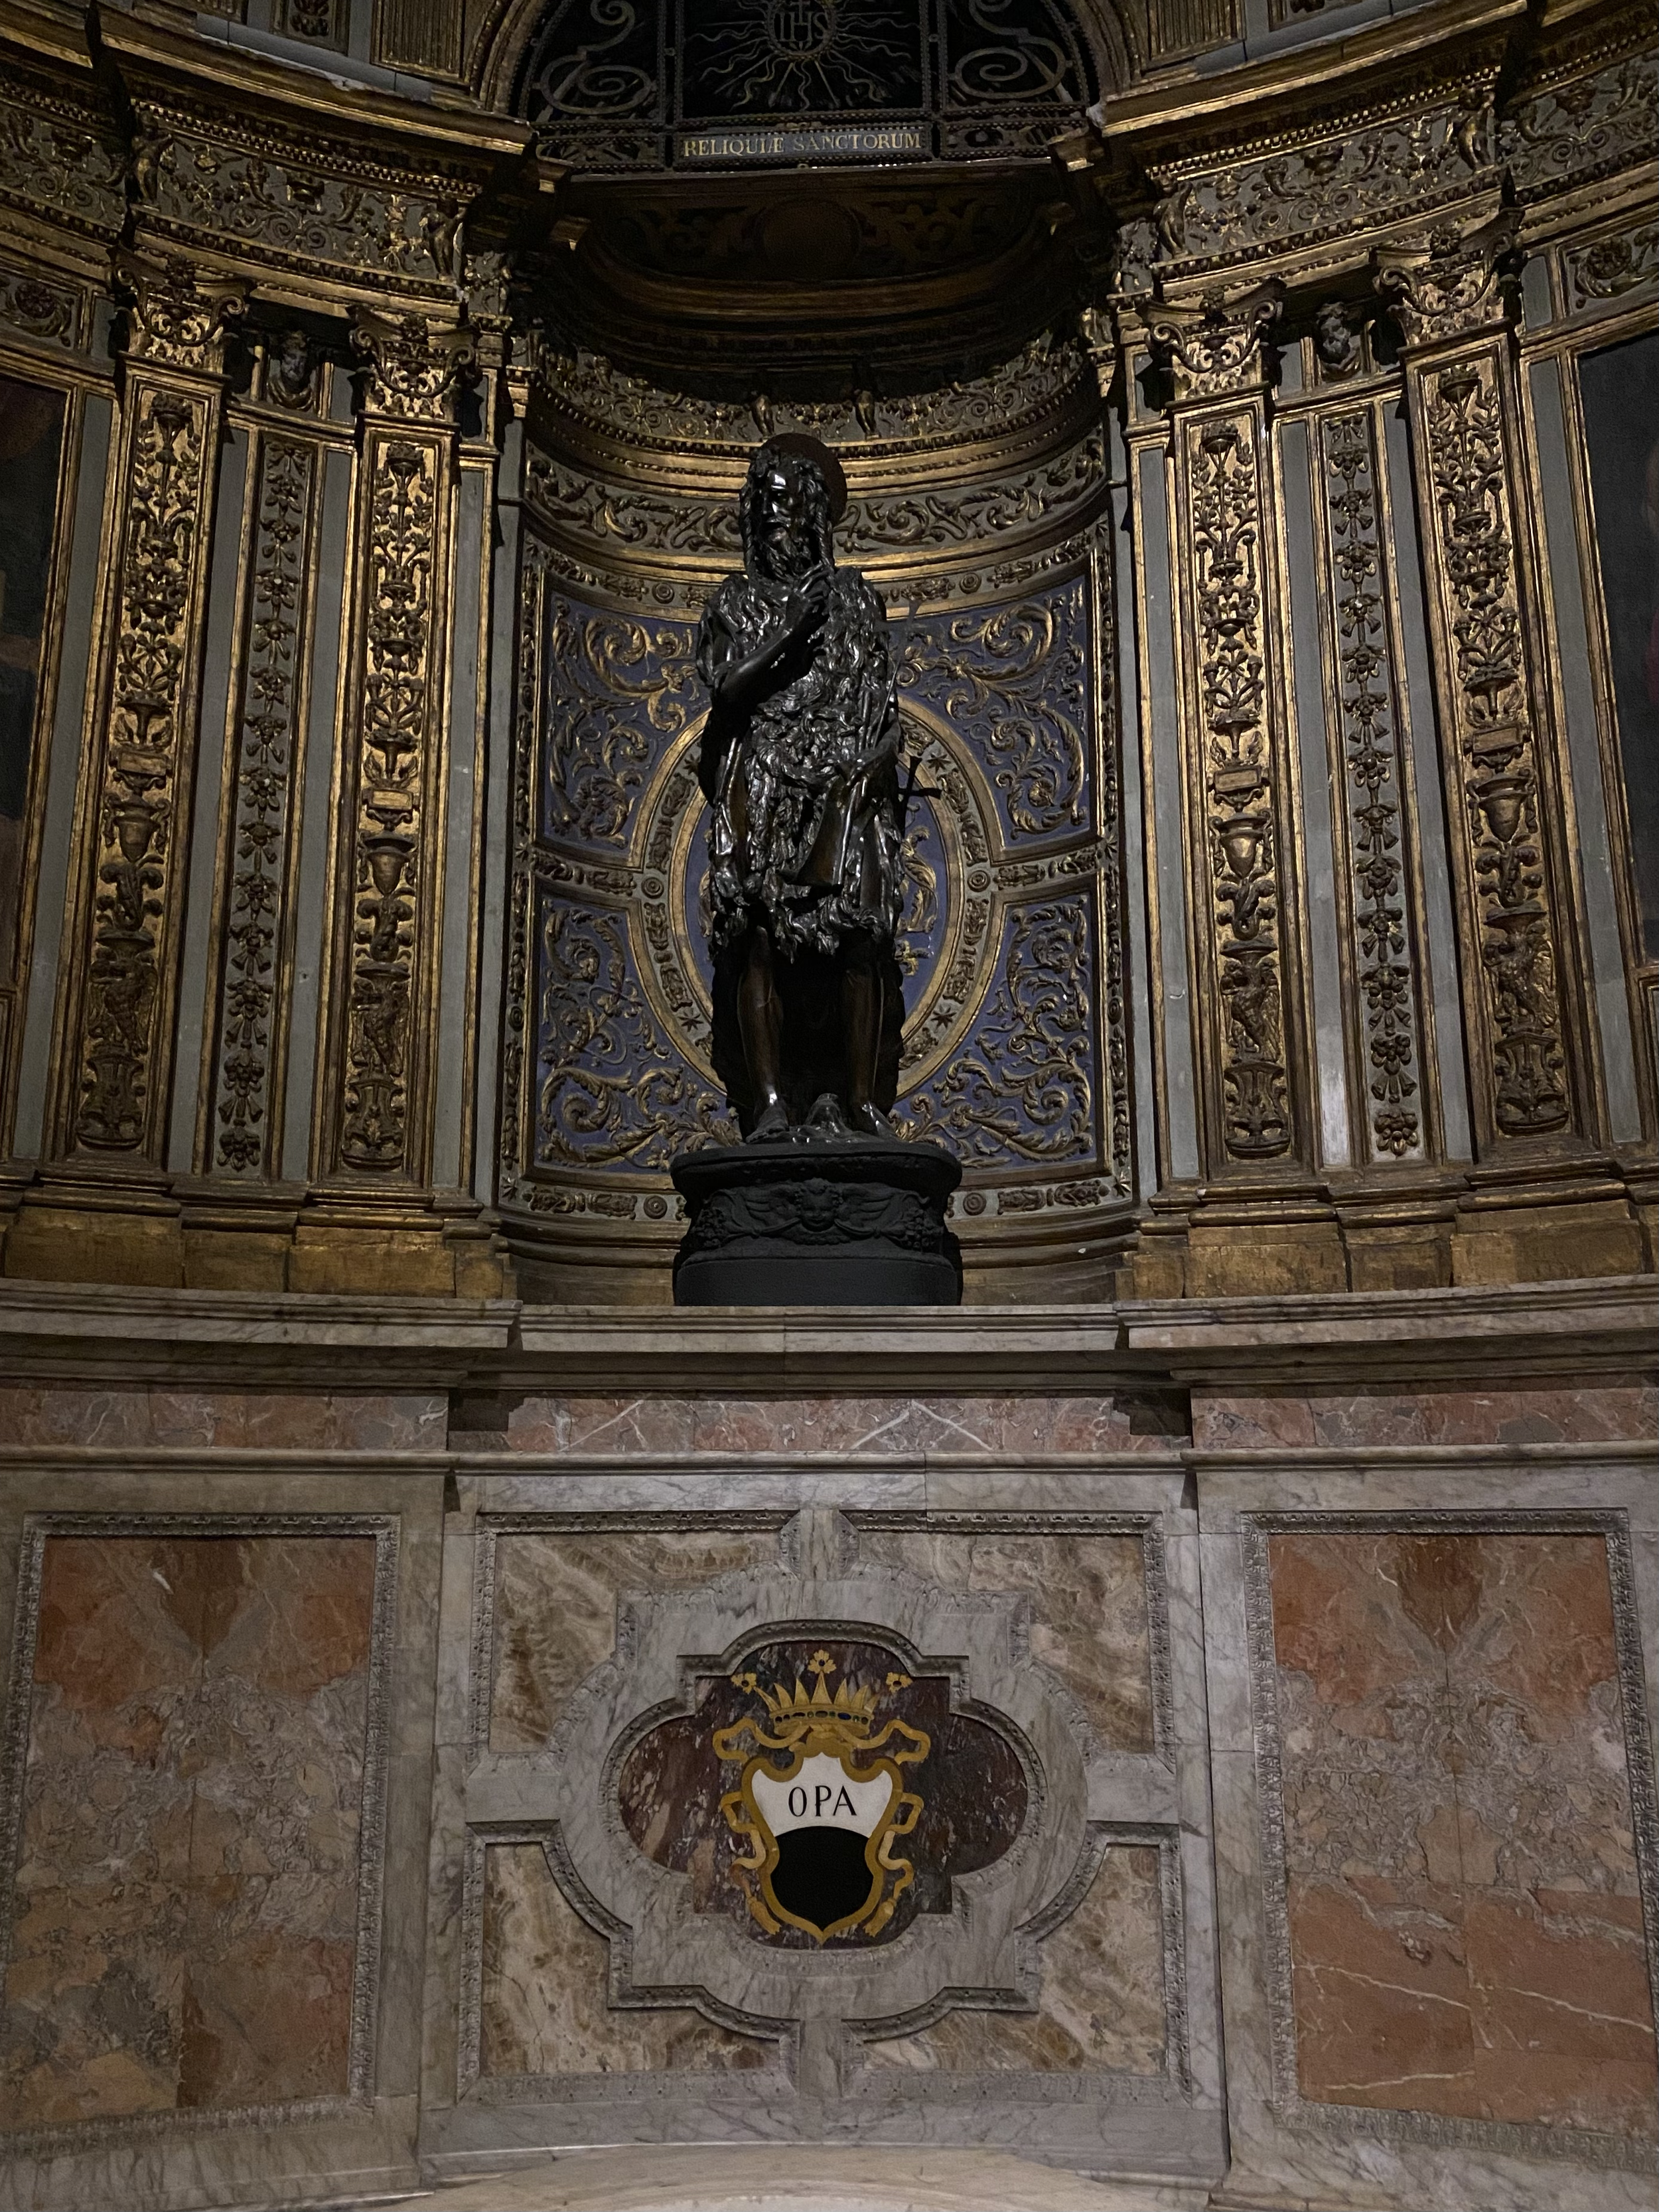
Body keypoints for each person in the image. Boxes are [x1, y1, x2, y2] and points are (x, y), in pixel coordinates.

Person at [694, 434, 906, 1141]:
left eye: (786, 511)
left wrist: (869, 771)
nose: (773, 525)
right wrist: (792, 631)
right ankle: (772, 1104)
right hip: (762, 774)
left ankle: (860, 1100)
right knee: (755, 930)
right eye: (764, 513)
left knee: (859, 932)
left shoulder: (853, 600)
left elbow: (884, 700)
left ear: (814, 516)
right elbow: (726, 687)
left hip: (844, 776)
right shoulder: (738, 601)